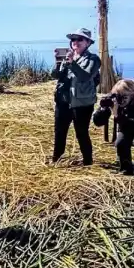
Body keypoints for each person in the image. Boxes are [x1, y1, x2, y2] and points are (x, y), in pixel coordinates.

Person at [51, 27, 102, 166]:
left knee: (81, 133)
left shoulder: (93, 59)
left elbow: (85, 76)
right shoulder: (67, 57)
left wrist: (72, 62)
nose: (75, 42)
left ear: (88, 43)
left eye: (80, 39)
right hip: (63, 101)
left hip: (82, 103)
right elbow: (55, 76)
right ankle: (57, 160)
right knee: (60, 132)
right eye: (73, 39)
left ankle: (88, 162)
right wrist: (57, 62)